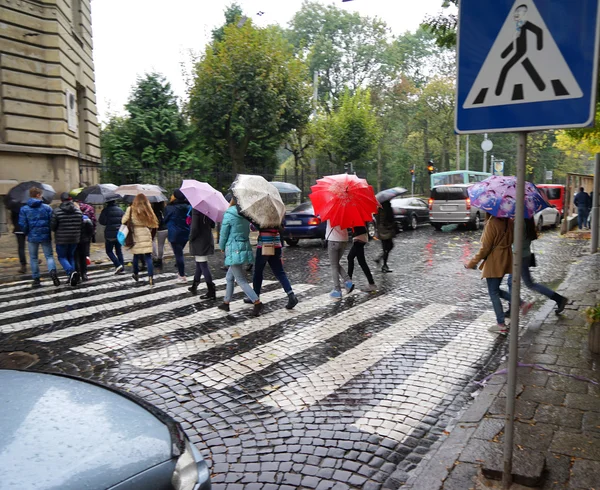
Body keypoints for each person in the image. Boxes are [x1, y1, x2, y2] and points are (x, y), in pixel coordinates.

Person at [465, 215, 531, 334]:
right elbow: (512, 240)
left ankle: (501, 323)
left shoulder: (492, 223)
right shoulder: (509, 222)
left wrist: (471, 262)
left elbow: (485, 248)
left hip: (494, 261)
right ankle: (521, 303)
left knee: (493, 292)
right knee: (495, 290)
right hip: (505, 259)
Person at [507, 218, 569, 314]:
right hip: (524, 255)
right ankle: (559, 299)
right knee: (521, 283)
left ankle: (516, 306)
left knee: (515, 283)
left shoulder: (519, 222)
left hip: (519, 257)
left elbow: (516, 240)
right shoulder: (527, 220)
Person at [217, 199, 263, 316]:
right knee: (229, 277)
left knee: (240, 280)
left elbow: (224, 233)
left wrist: (221, 246)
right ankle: (226, 302)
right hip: (243, 246)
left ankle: (257, 302)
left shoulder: (229, 214)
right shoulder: (245, 213)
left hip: (233, 248)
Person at [18, 187, 59, 288]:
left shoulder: (24, 209)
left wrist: (27, 232)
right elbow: (52, 221)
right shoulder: (47, 208)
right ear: (37, 195)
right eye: (40, 194)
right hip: (45, 235)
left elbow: (22, 224)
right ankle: (53, 272)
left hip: (32, 236)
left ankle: (36, 279)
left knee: (33, 258)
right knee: (49, 256)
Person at [248, 226, 298, 309]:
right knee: (280, 272)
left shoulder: (262, 214)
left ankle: (255, 297)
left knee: (258, 272)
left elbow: (254, 227)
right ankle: (291, 295)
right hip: (276, 244)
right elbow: (282, 227)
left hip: (264, 245)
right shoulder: (278, 213)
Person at [122, 194, 158, 285]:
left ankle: (136, 274)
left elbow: (123, 221)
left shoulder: (131, 209)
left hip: (135, 233)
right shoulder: (147, 209)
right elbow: (153, 224)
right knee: (148, 256)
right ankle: (151, 278)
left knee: (136, 255)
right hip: (146, 232)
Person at [51, 192, 82, 286]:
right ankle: (72, 277)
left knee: (62, 257)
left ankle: (71, 272)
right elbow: (80, 223)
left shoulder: (56, 211)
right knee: (71, 256)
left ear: (61, 200)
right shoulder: (78, 211)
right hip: (74, 238)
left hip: (62, 238)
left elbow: (53, 226)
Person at [188, 208, 217, 299]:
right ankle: (194, 285)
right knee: (199, 264)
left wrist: (191, 238)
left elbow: (195, 227)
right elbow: (213, 224)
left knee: (203, 265)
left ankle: (211, 290)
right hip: (207, 238)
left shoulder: (196, 209)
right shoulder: (209, 208)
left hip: (199, 240)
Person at [163, 190, 190, 282]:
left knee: (179, 254)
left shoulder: (169, 208)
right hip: (186, 232)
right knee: (179, 253)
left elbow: (165, 220)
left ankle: (182, 275)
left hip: (174, 234)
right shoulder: (188, 206)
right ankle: (180, 270)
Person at [326, 220, 354, 299]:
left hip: (333, 240)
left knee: (334, 265)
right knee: (336, 263)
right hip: (344, 240)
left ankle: (337, 290)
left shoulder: (330, 211)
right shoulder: (344, 212)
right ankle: (348, 282)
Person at [99, 199, 125, 274]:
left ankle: (118, 264)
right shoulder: (120, 210)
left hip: (109, 234)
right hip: (119, 233)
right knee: (119, 251)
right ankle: (122, 266)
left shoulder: (105, 210)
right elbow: (123, 220)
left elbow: (102, 221)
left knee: (109, 251)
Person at [347, 225, 376, 292]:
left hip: (359, 238)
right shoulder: (357, 216)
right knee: (361, 261)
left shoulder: (355, 216)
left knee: (351, 258)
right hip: (360, 237)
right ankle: (371, 283)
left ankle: (348, 283)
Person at [375, 201, 396, 273]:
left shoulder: (379, 209)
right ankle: (384, 265)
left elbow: (377, 220)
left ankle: (380, 259)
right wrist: (392, 225)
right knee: (388, 247)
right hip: (386, 230)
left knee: (386, 247)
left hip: (381, 231)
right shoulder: (387, 209)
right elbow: (388, 220)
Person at [75, 213, 94, 281]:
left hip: (74, 240)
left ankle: (78, 273)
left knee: (75, 257)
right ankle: (84, 274)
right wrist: (88, 237)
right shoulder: (85, 217)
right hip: (84, 240)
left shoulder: (69, 217)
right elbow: (91, 228)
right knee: (83, 257)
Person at [10, 202, 27, 274]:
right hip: (27, 228)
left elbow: (12, 219)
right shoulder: (27, 206)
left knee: (21, 247)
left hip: (18, 229)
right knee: (32, 244)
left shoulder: (14, 207)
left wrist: (16, 225)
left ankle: (23, 265)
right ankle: (34, 260)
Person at [151, 201, 168, 268]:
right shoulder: (166, 209)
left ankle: (159, 260)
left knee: (160, 245)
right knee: (172, 244)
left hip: (161, 229)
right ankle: (178, 259)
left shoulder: (154, 211)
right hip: (168, 228)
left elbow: (157, 221)